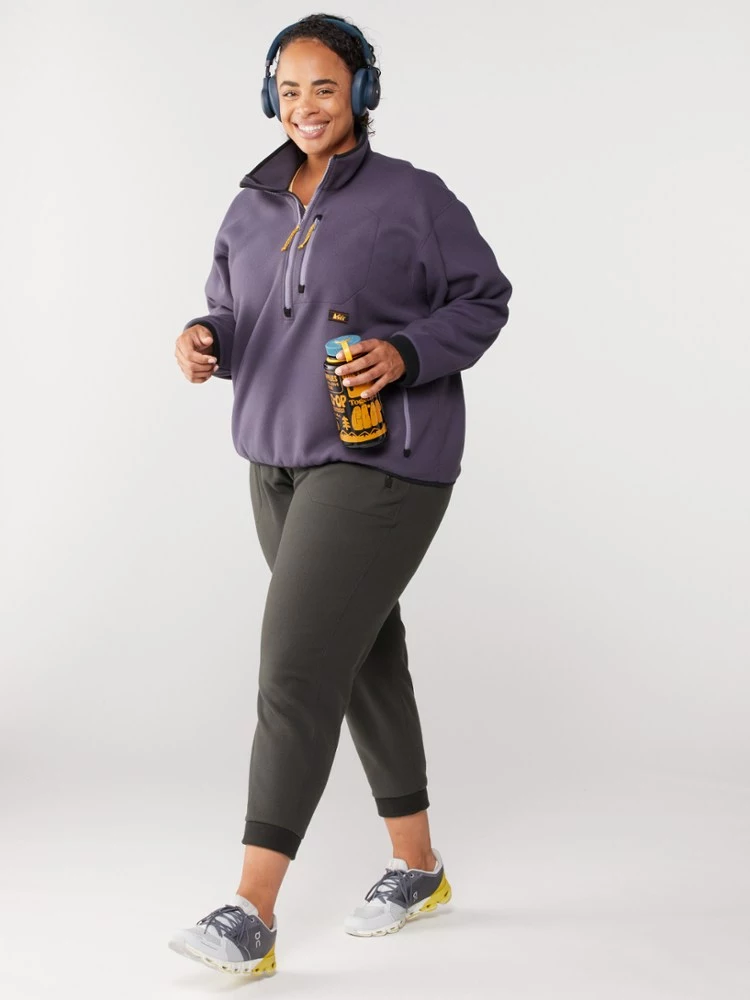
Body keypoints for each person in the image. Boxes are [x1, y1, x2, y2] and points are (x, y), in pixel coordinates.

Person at [168, 12, 512, 978]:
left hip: (381, 461)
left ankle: (251, 911)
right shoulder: (251, 204)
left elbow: (484, 297)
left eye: (324, 87)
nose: (305, 107)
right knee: (362, 657)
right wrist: (207, 338)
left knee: (296, 666)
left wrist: (405, 352)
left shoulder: (413, 197)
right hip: (275, 460)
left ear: (361, 91)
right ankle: (420, 869)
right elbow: (240, 312)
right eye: (288, 90)